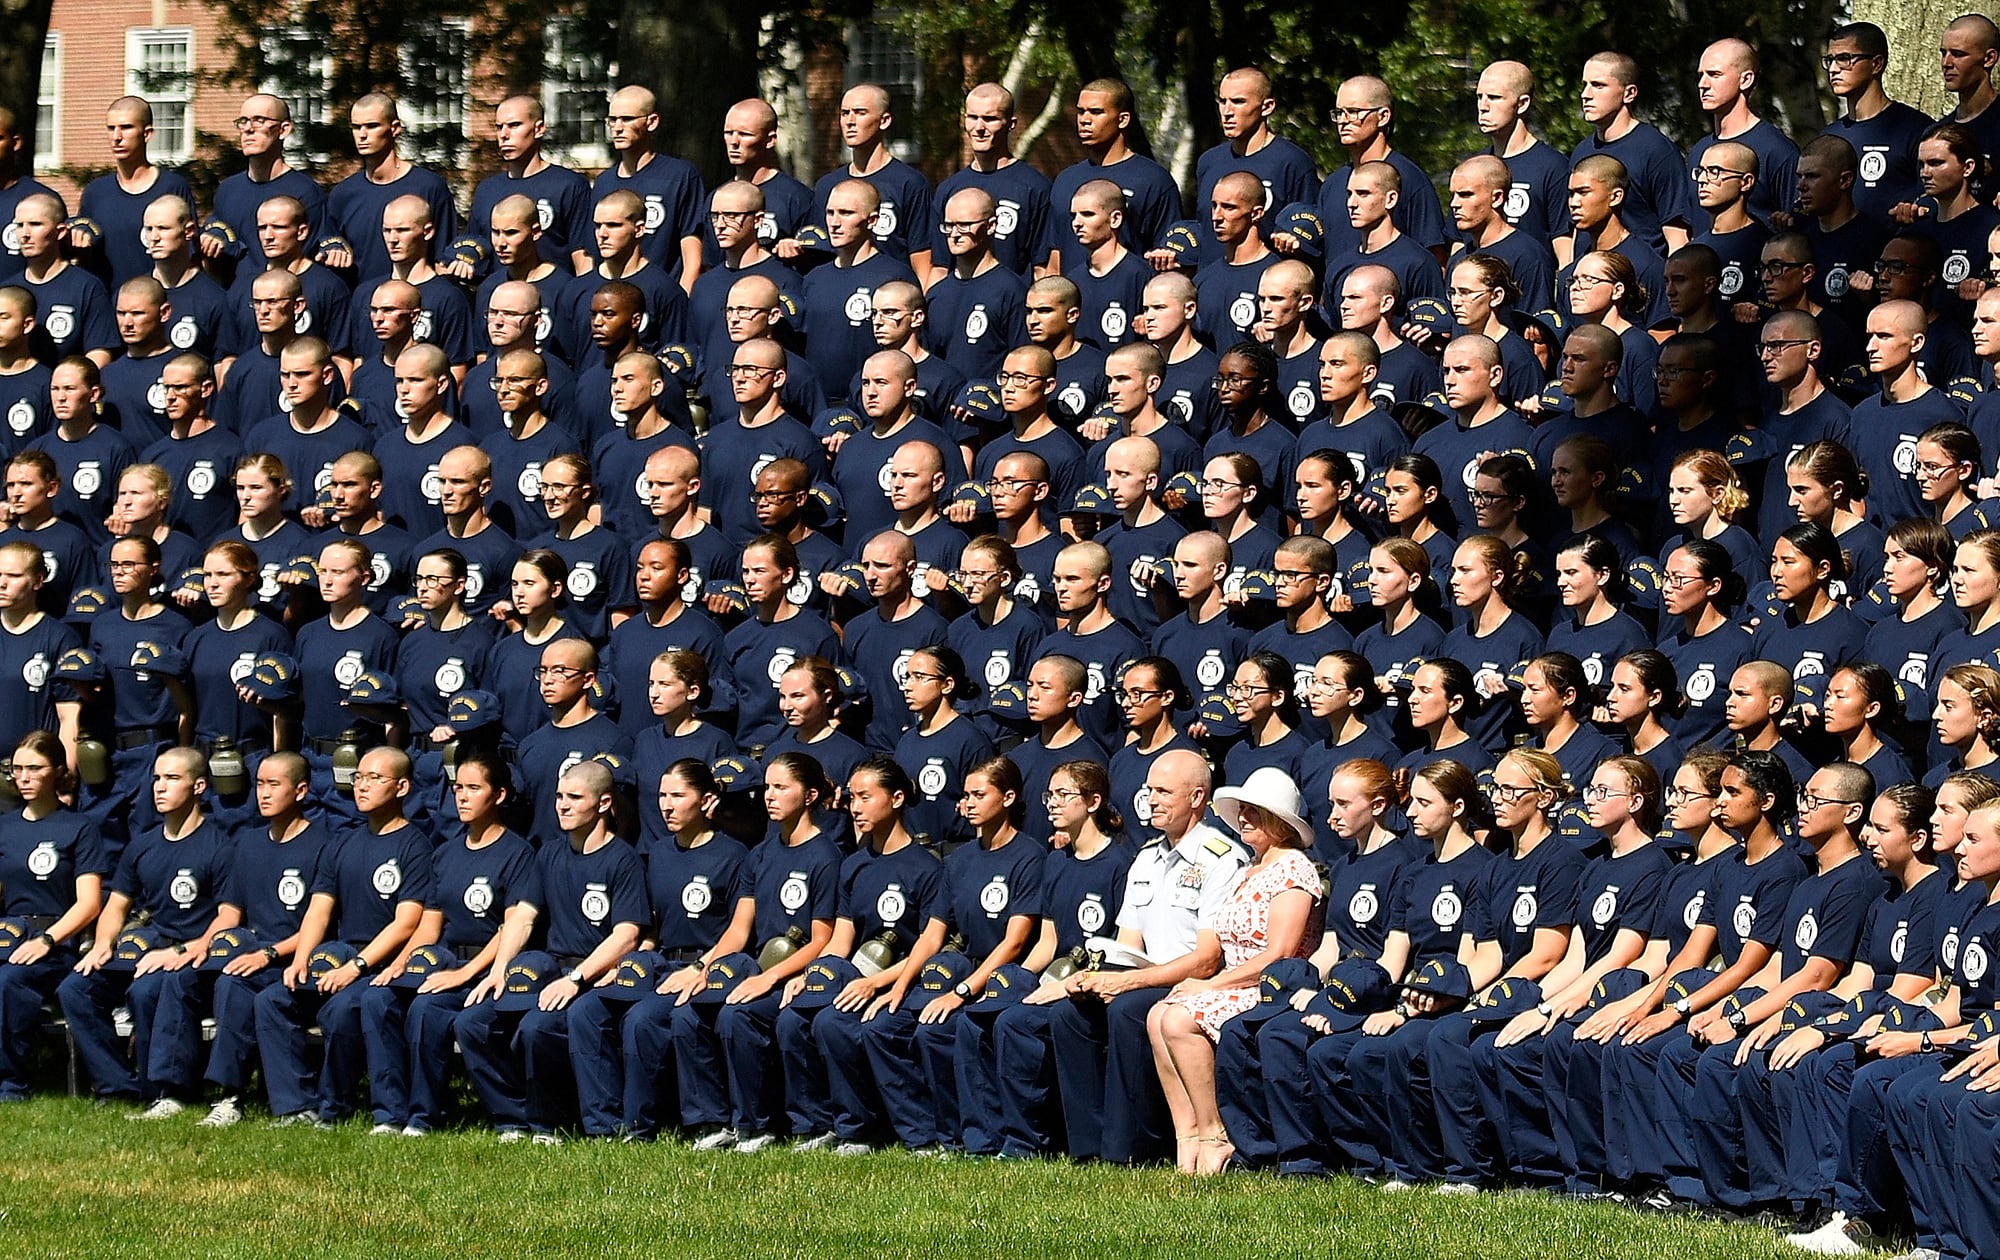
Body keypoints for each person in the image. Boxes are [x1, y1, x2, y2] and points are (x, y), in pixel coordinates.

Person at [1596, 750, 1808, 1208]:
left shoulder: (1785, 869)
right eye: (1722, 791)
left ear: (1767, 801)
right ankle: (1644, 1178)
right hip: (1712, 991)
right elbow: (1691, 954)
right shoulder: (1728, 865)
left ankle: (1697, 1186)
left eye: (1734, 793)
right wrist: (1644, 1007)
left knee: (1676, 1053)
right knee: (1629, 1040)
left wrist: (1680, 1010)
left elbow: (1750, 964)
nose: (1721, 803)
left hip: (1752, 994)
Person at [1470, 755, 1672, 1188]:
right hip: (1583, 987)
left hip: (1617, 992)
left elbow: (1622, 955)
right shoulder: (1597, 865)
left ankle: (1583, 1173)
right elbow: (1575, 956)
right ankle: (1533, 1170)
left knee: (1553, 1043)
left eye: (1603, 792)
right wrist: (1540, 1003)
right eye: (1590, 790)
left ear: (1636, 801)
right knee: (1494, 1044)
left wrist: (1552, 1011)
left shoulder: (1653, 865)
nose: (1590, 801)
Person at [1305, 759, 1497, 1180]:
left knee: (1390, 1050)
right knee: (1330, 1053)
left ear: (1458, 807)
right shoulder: (1414, 874)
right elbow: (1394, 957)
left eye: (1424, 803)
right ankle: (1382, 1161)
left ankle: (1438, 1167)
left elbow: (1468, 959)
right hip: (1412, 994)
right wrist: (1348, 1005)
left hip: (1451, 997)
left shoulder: (1483, 869)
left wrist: (1407, 1010)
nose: (1410, 812)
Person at [455, 759, 647, 1142]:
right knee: (472, 1023)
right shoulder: (549, 854)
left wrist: (577, 980)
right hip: (549, 974)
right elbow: (523, 917)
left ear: (604, 804)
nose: (563, 805)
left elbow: (627, 935)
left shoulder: (622, 859)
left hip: (596, 977)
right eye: (559, 796)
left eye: (575, 797)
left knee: (536, 1028)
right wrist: (499, 970)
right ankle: (514, 1118)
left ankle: (556, 1124)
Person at [1148, 766, 1321, 1175]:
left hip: (1270, 986)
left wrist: (1208, 985)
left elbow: (1279, 953)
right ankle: (1187, 1133)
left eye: (1254, 812)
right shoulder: (1248, 870)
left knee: (1178, 1019)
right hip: (1233, 981)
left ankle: (1216, 1134)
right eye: (1241, 810)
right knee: (1157, 1016)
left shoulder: (1293, 869)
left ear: (1280, 821)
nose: (1243, 818)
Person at [960, 758, 1133, 1156]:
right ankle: (982, 1137)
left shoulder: (1119, 865)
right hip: (1054, 975)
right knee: (979, 1016)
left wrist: (1058, 989)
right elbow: (1047, 943)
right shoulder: (1055, 861)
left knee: (1014, 1023)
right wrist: (1016, 980)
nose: (1051, 804)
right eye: (1049, 795)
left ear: (1093, 802)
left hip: (1094, 984)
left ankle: (1028, 1141)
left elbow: (1121, 950)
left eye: (1062, 795)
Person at [574, 759, 752, 1143]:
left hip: (713, 965)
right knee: (589, 1008)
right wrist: (627, 964)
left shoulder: (733, 855)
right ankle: (602, 1125)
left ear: (706, 801)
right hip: (660, 964)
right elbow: (651, 929)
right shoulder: (657, 853)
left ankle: (649, 1126)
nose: (666, 806)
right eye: (662, 796)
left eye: (678, 796)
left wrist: (701, 967)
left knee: (642, 1019)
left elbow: (739, 932)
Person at [254, 745, 432, 1125]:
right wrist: (301, 958)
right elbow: (319, 908)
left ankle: (340, 1108)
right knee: (272, 999)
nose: (362, 786)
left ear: (401, 787)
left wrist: (357, 966)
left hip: (382, 964)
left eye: (374, 778)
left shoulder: (415, 846)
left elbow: (407, 922)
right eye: (359, 777)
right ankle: (295, 1105)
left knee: (341, 1009)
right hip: (337, 958)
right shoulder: (343, 842)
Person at [55, 747, 229, 1110]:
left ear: (198, 786)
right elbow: (116, 905)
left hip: (196, 954)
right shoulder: (143, 845)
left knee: (147, 989)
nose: (159, 787)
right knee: (76, 988)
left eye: (172, 778)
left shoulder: (221, 845)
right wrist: (103, 944)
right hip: (147, 949)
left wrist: (183, 950)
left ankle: (168, 1092)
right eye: (157, 778)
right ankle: (117, 1085)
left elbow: (230, 917)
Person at [785, 757, 944, 1152]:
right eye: (852, 797)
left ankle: (913, 1133)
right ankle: (836, 1124)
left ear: (897, 799)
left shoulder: (927, 867)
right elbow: (841, 940)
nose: (855, 807)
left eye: (865, 797)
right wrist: (813, 975)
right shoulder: (854, 865)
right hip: (859, 976)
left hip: (907, 980)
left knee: (859, 1026)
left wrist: (878, 983)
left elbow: (930, 944)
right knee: (800, 1018)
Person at [709, 751, 844, 1151]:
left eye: (781, 787)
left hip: (800, 973)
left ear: (810, 795)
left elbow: (823, 939)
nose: (769, 796)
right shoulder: (760, 854)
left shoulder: (826, 856)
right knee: (695, 1008)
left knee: (750, 1016)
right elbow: (739, 928)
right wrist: (704, 967)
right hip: (761, 968)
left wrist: (771, 977)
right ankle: (729, 1121)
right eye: (767, 787)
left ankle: (802, 1124)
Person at [0, 731, 106, 1101]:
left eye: (34, 769)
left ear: (57, 772)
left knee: (9, 981)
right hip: (7, 934)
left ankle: (11, 1084)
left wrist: (47, 940)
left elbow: (89, 903)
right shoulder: (4, 828)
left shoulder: (79, 828)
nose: (24, 778)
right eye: (17, 769)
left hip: (55, 941)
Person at [321, 94, 458, 283]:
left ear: (394, 128)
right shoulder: (343, 194)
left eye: (372, 126)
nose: (362, 134)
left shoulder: (429, 187)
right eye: (356, 127)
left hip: (414, 303)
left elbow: (444, 259)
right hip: (362, 303)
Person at [1047, 79, 1179, 274]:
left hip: (1127, 299)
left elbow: (1166, 255)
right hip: (1071, 299)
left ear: (1123, 119)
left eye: (1096, 112)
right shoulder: (1065, 180)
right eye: (1081, 111)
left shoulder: (1153, 180)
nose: (1084, 119)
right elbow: (1054, 254)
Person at [1569, 52, 1690, 256]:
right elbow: (1575, 231)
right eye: (1584, 85)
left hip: (1640, 278)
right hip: (1588, 277)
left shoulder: (1656, 151)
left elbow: (1677, 235)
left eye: (1598, 85)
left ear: (1629, 93)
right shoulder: (1581, 152)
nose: (1586, 94)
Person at [930, 84, 1053, 280]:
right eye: (972, 118)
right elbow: (939, 267)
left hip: (1015, 305)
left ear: (1011, 124)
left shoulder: (1035, 188)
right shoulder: (949, 190)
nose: (979, 128)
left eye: (990, 119)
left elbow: (1044, 268)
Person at [75, 97, 197, 288]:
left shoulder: (172, 187)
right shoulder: (96, 192)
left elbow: (190, 252)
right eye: (110, 128)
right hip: (108, 305)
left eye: (126, 128)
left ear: (147, 134)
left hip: (158, 304)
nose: (116, 137)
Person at [893, 644, 996, 852]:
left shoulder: (971, 740)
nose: (908, 686)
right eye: (908, 677)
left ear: (947, 684)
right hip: (911, 854)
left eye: (920, 677)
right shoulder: (907, 740)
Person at [1473, 61, 1572, 251]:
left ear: (1522, 103)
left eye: (1494, 97)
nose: (1483, 106)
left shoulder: (1552, 167)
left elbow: (1564, 245)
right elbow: (1459, 242)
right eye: (1479, 97)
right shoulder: (1475, 166)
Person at [1547, 536, 1648, 692]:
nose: (1561, 582)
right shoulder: (1559, 635)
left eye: (1571, 572)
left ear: (1602, 575)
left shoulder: (1628, 635)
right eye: (1559, 574)